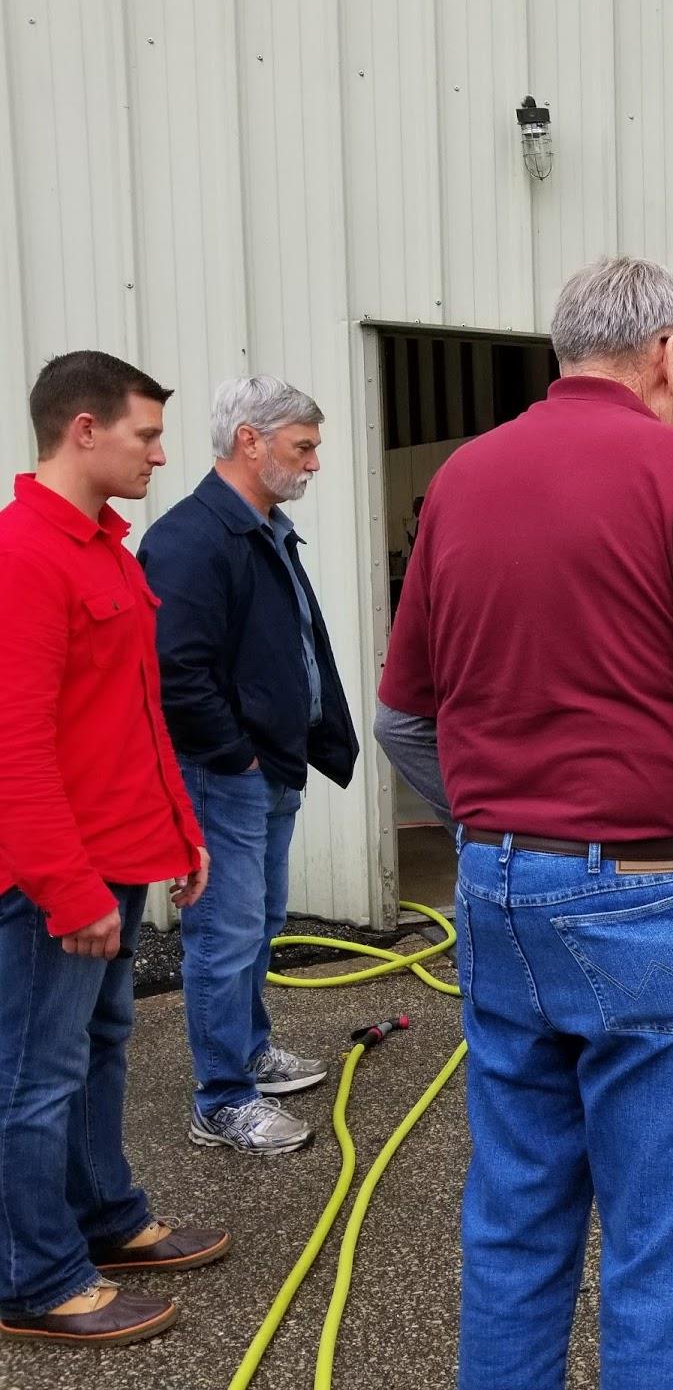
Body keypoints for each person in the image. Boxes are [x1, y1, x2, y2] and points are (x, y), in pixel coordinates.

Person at [374, 256, 673, 1390]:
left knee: (516, 1227)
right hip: (655, 901)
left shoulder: (463, 478)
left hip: (497, 897)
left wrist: (497, 827)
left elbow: (402, 722)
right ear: (669, 354)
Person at [0, 351, 224, 1348]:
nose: (160, 455)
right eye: (147, 434)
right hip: (56, 879)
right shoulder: (23, 555)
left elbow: (135, 713)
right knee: (31, 1077)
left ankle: (105, 1218)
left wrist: (181, 830)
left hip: (120, 861)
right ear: (83, 429)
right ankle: (33, 1278)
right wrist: (67, 886)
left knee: (97, 1050)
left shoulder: (108, 552)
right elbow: (13, 744)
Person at [138, 377, 360, 1157]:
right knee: (224, 935)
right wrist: (236, 755)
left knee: (258, 922)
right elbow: (176, 672)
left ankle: (249, 1048)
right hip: (224, 773)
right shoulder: (191, 540)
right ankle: (222, 1099)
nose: (314, 462)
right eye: (304, 446)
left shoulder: (264, 530)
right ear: (249, 441)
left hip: (268, 768)